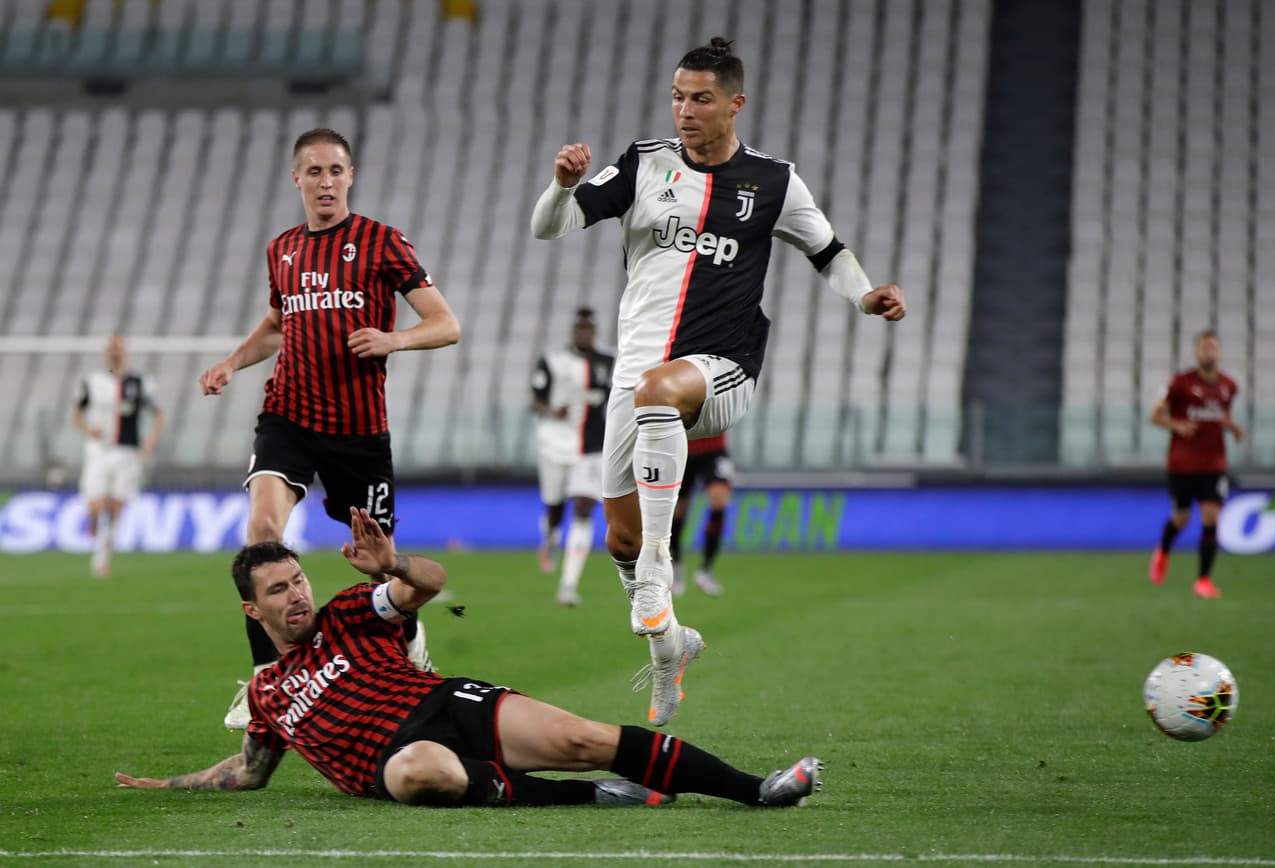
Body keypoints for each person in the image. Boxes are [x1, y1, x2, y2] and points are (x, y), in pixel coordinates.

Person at [531, 37, 905, 725]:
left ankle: (659, 570)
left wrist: (864, 295)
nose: (685, 110)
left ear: (735, 103)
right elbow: (548, 229)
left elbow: (829, 252)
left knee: (655, 401)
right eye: (677, 96)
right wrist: (559, 183)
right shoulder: (644, 164)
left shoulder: (774, 183)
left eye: (700, 98)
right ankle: (671, 647)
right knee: (616, 535)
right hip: (640, 379)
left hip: (724, 368)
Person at [114, 507, 823, 810]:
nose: (297, 596)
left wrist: (391, 561)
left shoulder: (346, 615)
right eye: (279, 590)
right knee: (423, 771)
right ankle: (594, 794)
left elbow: (429, 584)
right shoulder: (268, 693)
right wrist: (167, 785)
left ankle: (755, 790)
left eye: (297, 580)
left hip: (449, 704)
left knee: (584, 738)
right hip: (396, 760)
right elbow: (247, 772)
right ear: (252, 610)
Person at [198, 128, 461, 730]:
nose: (325, 182)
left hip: (358, 430)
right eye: (313, 172)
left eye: (335, 171)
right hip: (287, 414)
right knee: (262, 533)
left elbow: (446, 325)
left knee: (378, 561)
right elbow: (275, 324)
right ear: (296, 179)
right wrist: (231, 363)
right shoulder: (283, 250)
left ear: (350, 176)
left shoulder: (381, 242)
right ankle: (268, 683)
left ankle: (409, 638)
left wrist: (395, 337)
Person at [1148, 329, 1244, 599]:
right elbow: (1154, 415)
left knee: (1212, 516)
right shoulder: (1180, 383)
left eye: (1213, 347)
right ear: (1196, 352)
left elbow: (1223, 414)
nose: (1209, 352)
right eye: (1204, 348)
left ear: (1220, 352)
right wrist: (1175, 424)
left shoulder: (1229, 386)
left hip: (1214, 463)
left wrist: (1233, 428)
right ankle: (1163, 552)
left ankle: (1203, 580)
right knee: (1181, 518)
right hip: (1182, 464)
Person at [529, 307, 614, 606]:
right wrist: (553, 411)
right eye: (580, 329)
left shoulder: (610, 362)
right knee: (554, 508)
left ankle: (568, 585)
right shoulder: (553, 361)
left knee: (583, 508)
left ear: (595, 331)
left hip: (592, 449)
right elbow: (535, 402)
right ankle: (550, 537)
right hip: (554, 444)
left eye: (589, 329)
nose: (584, 334)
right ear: (573, 331)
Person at [70, 333, 166, 578]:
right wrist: (87, 429)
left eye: (119, 348)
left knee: (114, 507)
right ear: (106, 352)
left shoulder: (139, 381)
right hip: (98, 450)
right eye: (111, 348)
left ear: (124, 352)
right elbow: (76, 415)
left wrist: (151, 440)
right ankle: (92, 523)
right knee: (96, 504)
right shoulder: (92, 381)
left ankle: (101, 559)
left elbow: (158, 413)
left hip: (127, 450)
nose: (115, 352)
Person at [670, 434, 733, 597]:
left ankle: (706, 571)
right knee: (677, 511)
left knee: (719, 501)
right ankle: (676, 568)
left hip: (714, 449)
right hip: (681, 448)